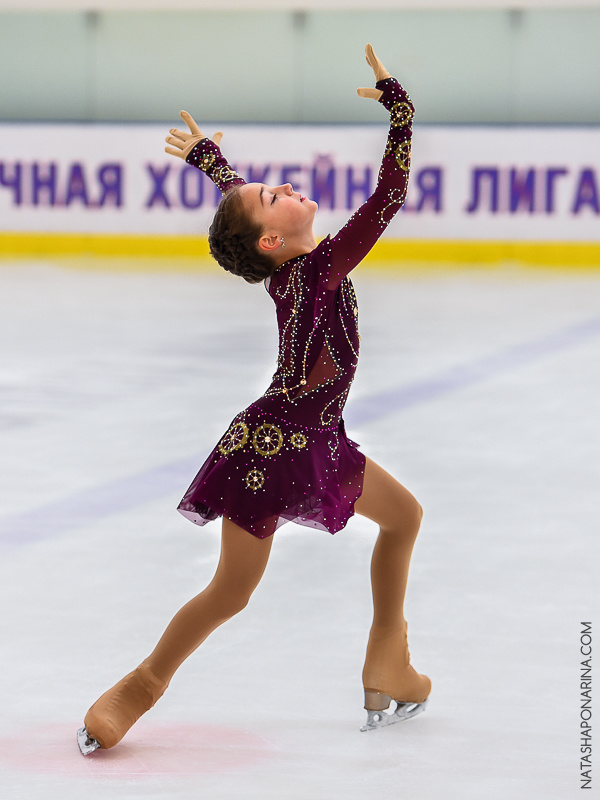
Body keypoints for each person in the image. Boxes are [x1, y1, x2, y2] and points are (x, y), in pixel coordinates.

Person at [77, 44, 430, 755]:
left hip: (290, 443)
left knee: (258, 581)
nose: (287, 187)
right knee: (270, 575)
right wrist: (401, 113)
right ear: (274, 236)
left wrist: (211, 162)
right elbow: (388, 197)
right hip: (287, 447)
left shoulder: (285, 266)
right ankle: (147, 684)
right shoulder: (322, 267)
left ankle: (382, 656)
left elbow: (244, 210)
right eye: (274, 195)